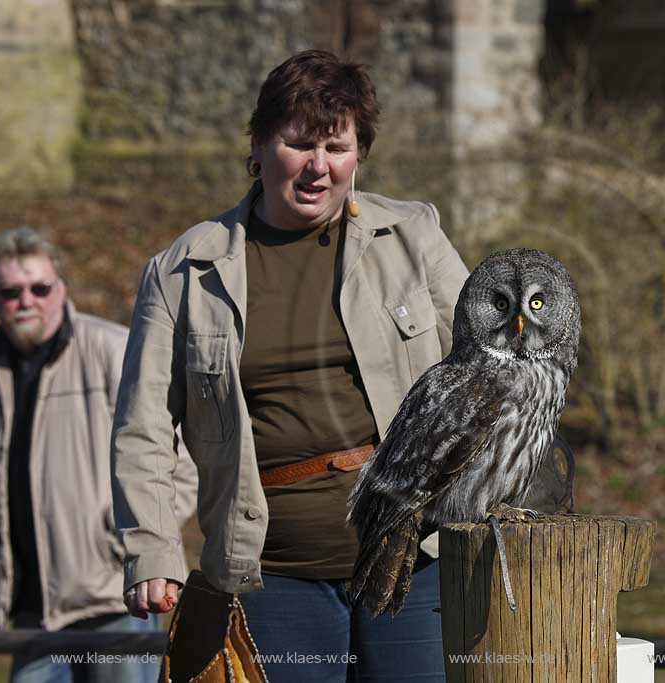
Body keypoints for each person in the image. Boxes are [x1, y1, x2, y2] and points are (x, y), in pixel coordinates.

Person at [110, 50, 469, 682]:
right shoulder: (183, 271)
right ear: (258, 144)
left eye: (337, 147)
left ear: (358, 154)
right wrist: (152, 552)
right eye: (299, 144)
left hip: (415, 557)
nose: (318, 167)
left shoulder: (414, 237)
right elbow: (142, 431)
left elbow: (485, 370)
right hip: (271, 571)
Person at [0, 227, 196, 683]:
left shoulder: (112, 350)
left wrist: (127, 542)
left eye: (39, 288)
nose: (26, 301)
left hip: (115, 601)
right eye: (10, 292)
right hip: (30, 613)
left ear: (60, 288)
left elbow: (183, 465)